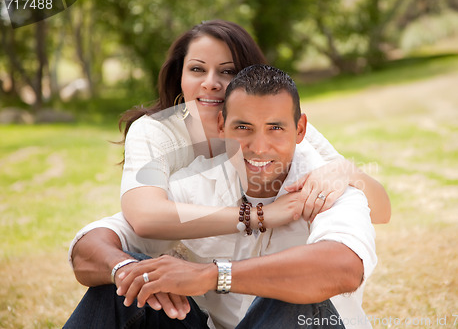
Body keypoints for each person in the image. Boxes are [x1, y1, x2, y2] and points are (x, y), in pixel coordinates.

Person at [66, 20, 387, 325]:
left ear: (298, 129)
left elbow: (347, 259)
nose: (260, 146)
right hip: (207, 319)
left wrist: (347, 171)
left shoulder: (317, 174)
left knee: (296, 283)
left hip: (298, 322)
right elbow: (127, 226)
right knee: (122, 286)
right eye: (243, 128)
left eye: (274, 128)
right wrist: (126, 270)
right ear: (224, 126)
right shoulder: (170, 150)